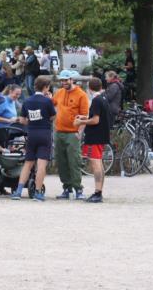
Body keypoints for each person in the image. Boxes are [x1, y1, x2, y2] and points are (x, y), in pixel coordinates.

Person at [11, 75, 56, 201]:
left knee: (28, 163)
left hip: (32, 133)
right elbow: (53, 117)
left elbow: (22, 120)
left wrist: (32, 121)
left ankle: (18, 191)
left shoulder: (28, 101)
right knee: (41, 164)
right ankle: (37, 192)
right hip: (45, 133)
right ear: (46, 87)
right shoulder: (47, 101)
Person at [52, 69, 89, 200]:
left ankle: (78, 189)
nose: (64, 82)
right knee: (61, 161)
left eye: (66, 80)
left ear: (72, 80)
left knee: (74, 161)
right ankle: (66, 188)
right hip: (59, 131)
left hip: (73, 133)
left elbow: (85, 116)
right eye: (62, 80)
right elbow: (51, 104)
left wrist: (80, 132)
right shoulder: (59, 92)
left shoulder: (81, 95)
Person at [75, 77, 109, 203]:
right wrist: (84, 116)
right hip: (102, 135)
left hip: (94, 136)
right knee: (99, 163)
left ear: (89, 88)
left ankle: (97, 192)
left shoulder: (95, 100)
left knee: (95, 165)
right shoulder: (103, 99)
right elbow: (97, 116)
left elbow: (95, 120)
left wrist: (81, 121)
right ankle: (99, 192)